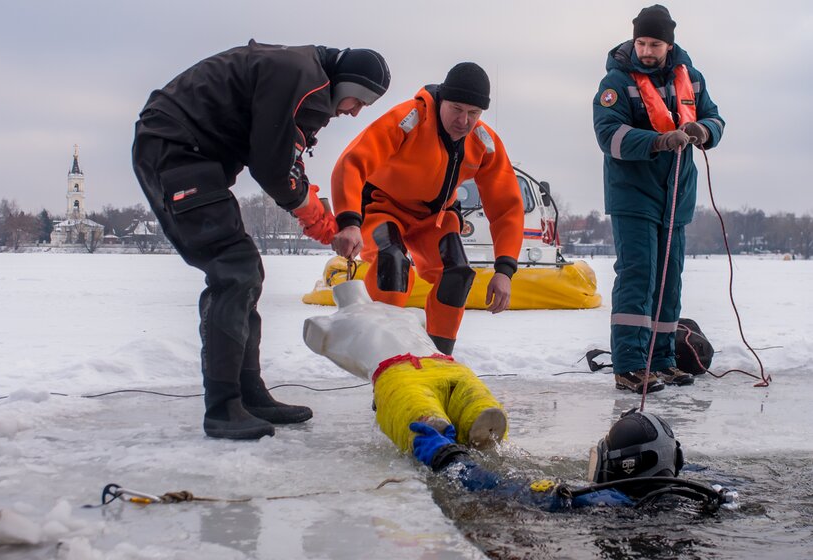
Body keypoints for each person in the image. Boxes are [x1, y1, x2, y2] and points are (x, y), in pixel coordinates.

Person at [132, 40, 391, 440]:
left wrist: (322, 220)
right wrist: (319, 220)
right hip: (175, 150)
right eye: (359, 100)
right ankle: (223, 406)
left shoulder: (301, 74)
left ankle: (248, 393)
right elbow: (273, 170)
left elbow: (285, 157)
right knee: (234, 271)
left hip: (188, 150)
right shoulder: (304, 79)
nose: (355, 111)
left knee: (244, 270)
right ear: (347, 83)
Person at [329, 62, 525, 355]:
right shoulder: (409, 119)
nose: (464, 121)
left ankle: (440, 360)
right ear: (442, 101)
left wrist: (504, 270)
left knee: (457, 274)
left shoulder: (484, 143)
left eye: (473, 113)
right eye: (456, 109)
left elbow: (507, 206)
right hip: (382, 207)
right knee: (392, 263)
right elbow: (351, 162)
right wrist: (349, 221)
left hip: (434, 217)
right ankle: (386, 361)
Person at [592, 5, 725, 394]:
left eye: (654, 44)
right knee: (639, 276)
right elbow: (608, 135)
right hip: (634, 193)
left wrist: (703, 129)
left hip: (676, 195)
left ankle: (663, 360)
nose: (647, 51)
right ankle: (631, 365)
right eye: (641, 42)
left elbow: (716, 118)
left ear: (669, 44)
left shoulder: (692, 79)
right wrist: (658, 140)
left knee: (669, 281)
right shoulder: (616, 81)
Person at [303, 280, 508, 452]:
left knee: (421, 422)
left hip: (398, 373)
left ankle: (440, 441)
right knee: (481, 408)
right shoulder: (410, 312)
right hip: (447, 365)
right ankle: (474, 417)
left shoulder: (324, 324)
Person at [411, 409, 731, 512]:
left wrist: (447, 455)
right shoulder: (698, 495)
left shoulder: (598, 501)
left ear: (622, 466)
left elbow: (500, 488)